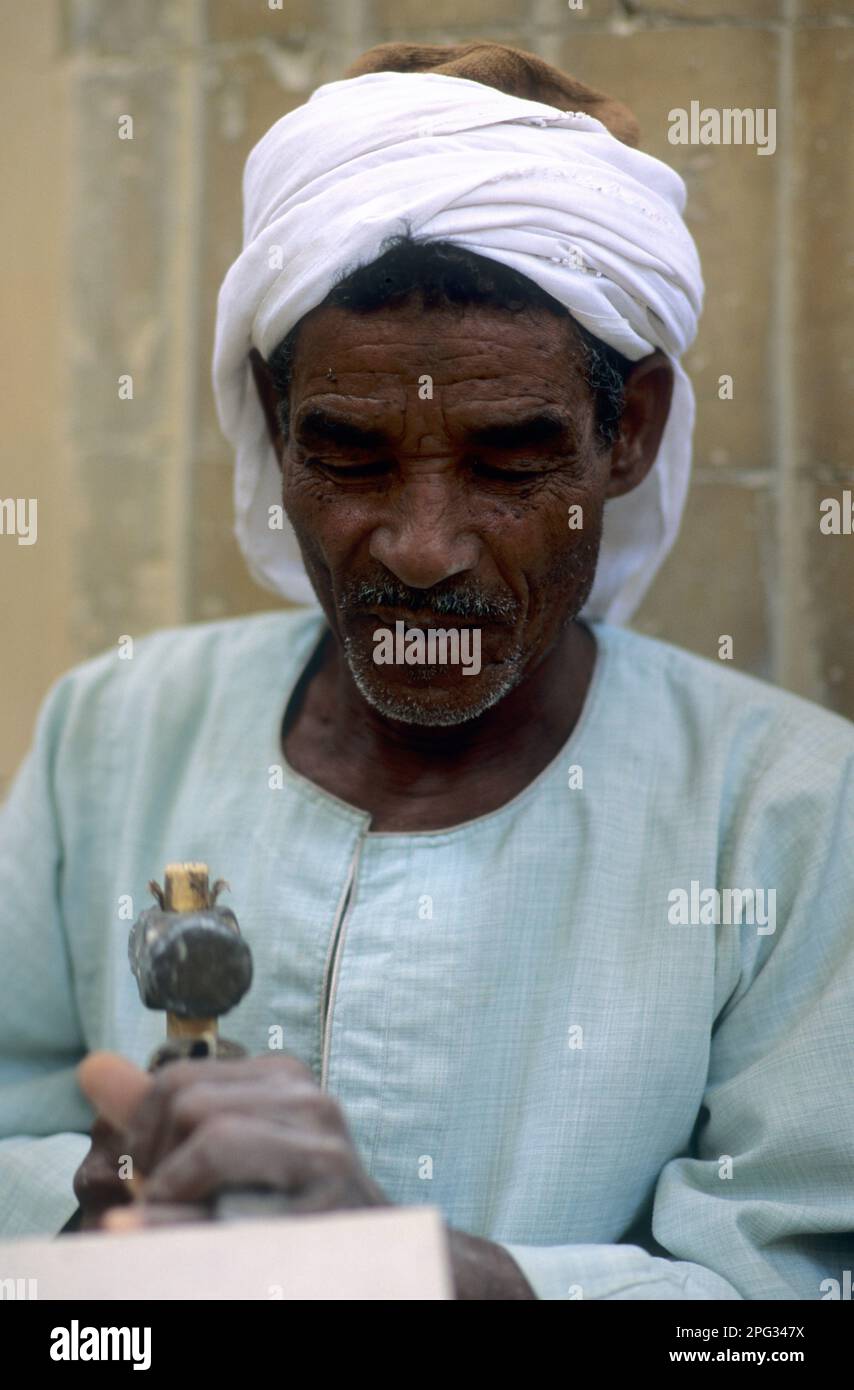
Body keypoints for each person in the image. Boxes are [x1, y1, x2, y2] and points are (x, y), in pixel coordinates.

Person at [0, 42, 852, 1300]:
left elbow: (786, 1294)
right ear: (271, 424)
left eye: (509, 460)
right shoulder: (114, 729)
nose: (420, 547)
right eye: (347, 456)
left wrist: (436, 1282)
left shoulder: (785, 811)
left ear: (630, 432)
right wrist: (89, 1238)